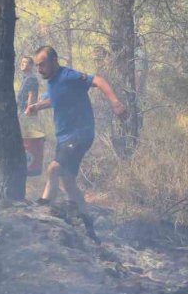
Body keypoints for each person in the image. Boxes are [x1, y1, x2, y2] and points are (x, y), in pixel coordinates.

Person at [25, 45, 127, 212]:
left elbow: (98, 80)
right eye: (36, 65)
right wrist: (36, 107)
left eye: (42, 64)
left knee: (53, 169)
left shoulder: (68, 76)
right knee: (68, 182)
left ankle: (42, 207)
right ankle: (84, 215)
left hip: (80, 133)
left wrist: (115, 102)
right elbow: (55, 100)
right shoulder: (51, 81)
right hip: (64, 136)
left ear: (54, 61)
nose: (39, 69)